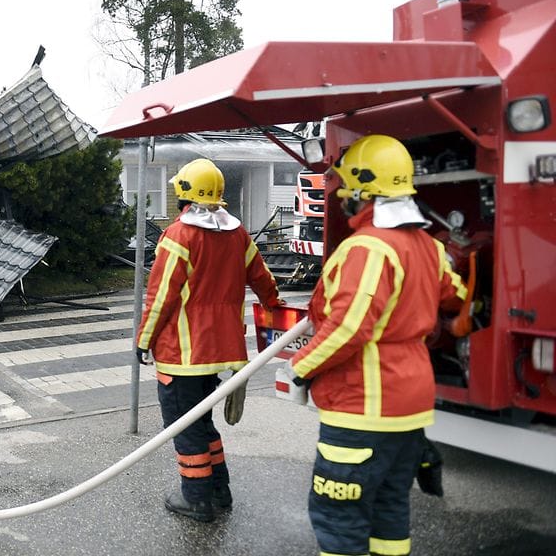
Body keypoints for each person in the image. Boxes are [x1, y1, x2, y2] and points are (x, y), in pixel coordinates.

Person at [286, 134, 467, 556]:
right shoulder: (429, 246)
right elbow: (456, 294)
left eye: (347, 190)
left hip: (363, 407)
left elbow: (351, 328)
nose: (343, 199)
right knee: (389, 511)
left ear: (362, 192)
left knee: (338, 517)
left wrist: (300, 367)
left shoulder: (368, 248)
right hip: (409, 410)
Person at [135, 158, 283, 523]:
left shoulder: (178, 237)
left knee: (184, 427)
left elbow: (161, 296)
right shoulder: (238, 234)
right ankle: (220, 491)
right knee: (203, 423)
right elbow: (263, 278)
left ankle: (196, 500)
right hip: (222, 353)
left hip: (182, 354)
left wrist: (143, 340)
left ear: (184, 193)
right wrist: (276, 308)